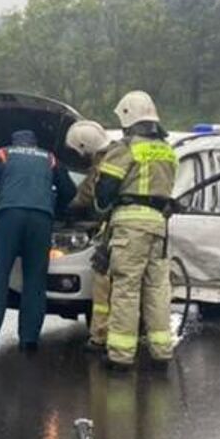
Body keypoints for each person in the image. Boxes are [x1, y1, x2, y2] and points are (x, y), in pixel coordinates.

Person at [94, 91, 179, 368]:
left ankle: (120, 356)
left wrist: (101, 207)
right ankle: (161, 351)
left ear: (128, 117)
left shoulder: (126, 147)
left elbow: (105, 190)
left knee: (126, 289)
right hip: (159, 226)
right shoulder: (167, 150)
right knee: (157, 289)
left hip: (131, 227)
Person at [0, 128, 75, 351]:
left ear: (14, 141)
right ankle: (29, 341)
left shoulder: (3, 154)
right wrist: (55, 210)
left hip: (8, 217)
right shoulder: (49, 158)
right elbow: (69, 190)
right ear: (34, 143)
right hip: (41, 220)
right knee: (35, 280)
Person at [63, 119, 115, 350]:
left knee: (107, 286)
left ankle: (105, 339)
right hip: (122, 228)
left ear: (85, 147)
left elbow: (89, 195)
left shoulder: (107, 163)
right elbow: (86, 192)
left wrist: (68, 208)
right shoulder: (110, 157)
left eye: (78, 151)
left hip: (114, 229)